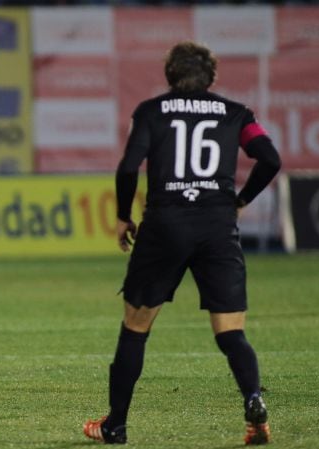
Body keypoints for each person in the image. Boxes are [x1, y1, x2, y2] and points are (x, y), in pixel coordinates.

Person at [83, 41, 281, 445]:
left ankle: (115, 425)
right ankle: (254, 403)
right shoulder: (236, 113)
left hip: (165, 225)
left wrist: (123, 216)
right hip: (217, 226)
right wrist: (240, 200)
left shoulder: (152, 112)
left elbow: (127, 167)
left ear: (170, 74)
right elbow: (271, 159)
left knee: (135, 327)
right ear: (211, 77)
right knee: (230, 332)